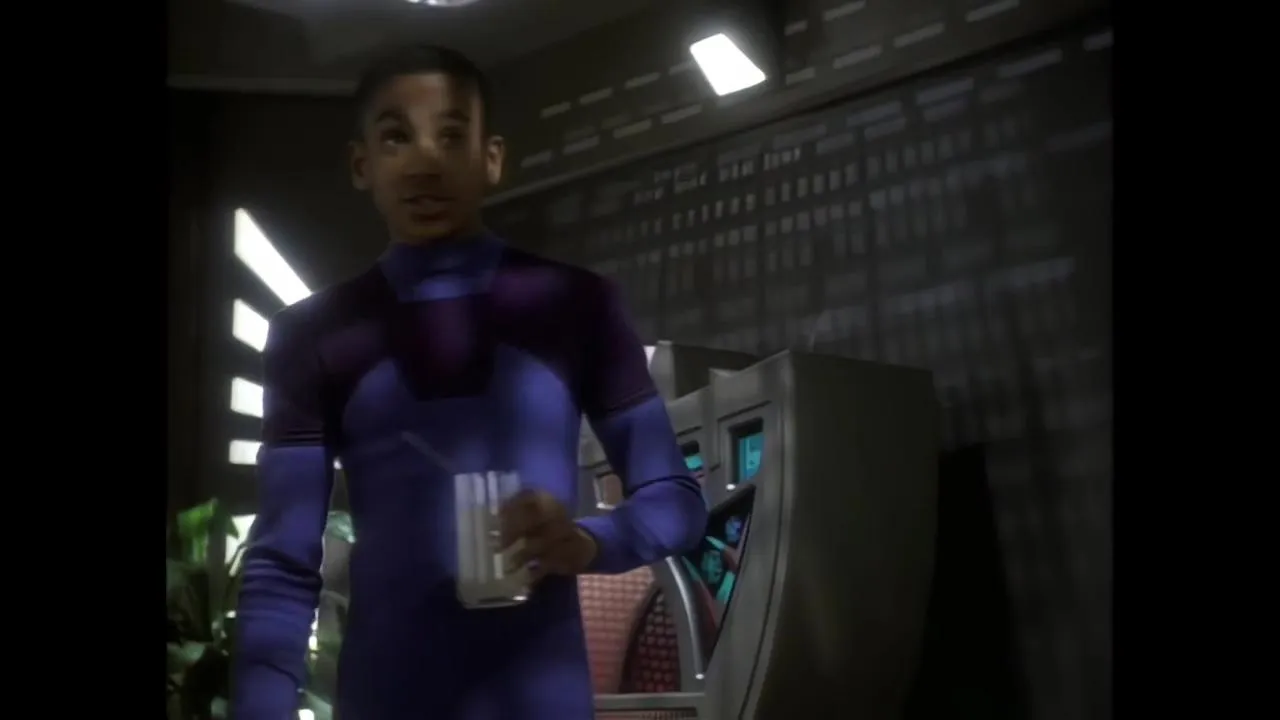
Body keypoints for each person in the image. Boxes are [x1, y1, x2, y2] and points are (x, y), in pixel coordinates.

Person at [231, 45, 708, 720]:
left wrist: (586, 541)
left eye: (451, 135)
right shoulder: (312, 336)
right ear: (362, 164)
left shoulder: (577, 305)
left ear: (492, 158)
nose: (425, 161)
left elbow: (677, 502)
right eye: (397, 137)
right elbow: (283, 564)